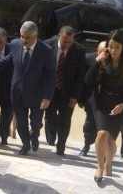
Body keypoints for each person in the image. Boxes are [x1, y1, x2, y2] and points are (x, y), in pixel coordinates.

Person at [85, 29, 123, 183]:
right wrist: (97, 61)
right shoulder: (104, 59)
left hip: (119, 104)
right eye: (111, 46)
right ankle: (100, 166)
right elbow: (88, 81)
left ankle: (109, 164)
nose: (114, 50)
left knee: (111, 140)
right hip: (102, 102)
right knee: (102, 134)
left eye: (117, 47)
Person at [0, 21, 56, 155]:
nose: (24, 40)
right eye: (22, 37)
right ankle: (25, 143)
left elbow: (50, 76)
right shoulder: (15, 44)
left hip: (37, 94)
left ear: (35, 35)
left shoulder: (46, 51)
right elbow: (10, 59)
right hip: (17, 92)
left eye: (27, 38)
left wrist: (48, 96)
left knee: (36, 123)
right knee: (21, 122)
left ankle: (34, 136)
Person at [44, 26, 85, 156]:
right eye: (64, 41)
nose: (67, 44)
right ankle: (51, 137)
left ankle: (61, 146)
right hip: (50, 89)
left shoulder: (79, 50)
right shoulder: (47, 46)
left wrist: (75, 96)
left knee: (65, 119)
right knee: (50, 116)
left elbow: (80, 75)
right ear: (59, 36)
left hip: (67, 92)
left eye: (69, 42)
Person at [79, 41, 106, 156]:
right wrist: (80, 98)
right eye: (100, 52)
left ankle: (101, 149)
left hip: (106, 98)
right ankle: (87, 144)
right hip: (91, 97)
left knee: (104, 126)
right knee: (90, 123)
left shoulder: (114, 63)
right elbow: (85, 80)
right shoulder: (88, 59)